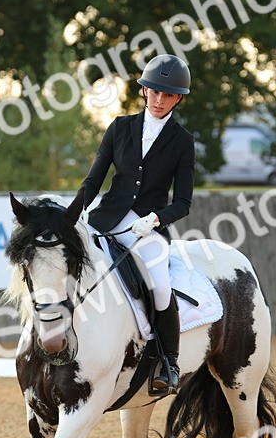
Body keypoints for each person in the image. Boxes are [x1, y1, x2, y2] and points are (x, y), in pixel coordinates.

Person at [77, 53, 195, 395]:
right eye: (154, 92)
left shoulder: (182, 141)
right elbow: (93, 181)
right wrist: (75, 213)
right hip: (108, 217)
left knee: (159, 286)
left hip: (148, 226)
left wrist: (157, 219)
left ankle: (168, 362)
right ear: (144, 91)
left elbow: (184, 202)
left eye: (168, 95)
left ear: (178, 99)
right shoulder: (119, 128)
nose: (159, 100)